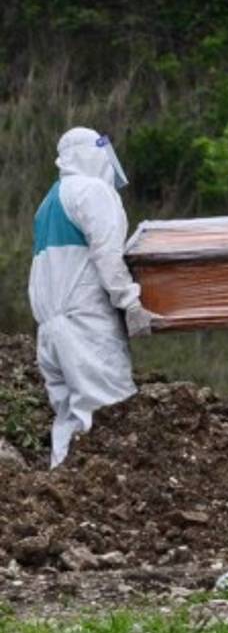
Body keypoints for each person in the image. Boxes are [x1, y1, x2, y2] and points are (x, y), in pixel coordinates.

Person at [28, 127, 161, 468]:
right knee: (110, 416)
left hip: (50, 332)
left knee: (70, 421)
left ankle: (61, 497)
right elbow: (107, 256)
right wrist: (130, 302)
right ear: (91, 154)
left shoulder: (48, 202)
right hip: (85, 325)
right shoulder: (92, 191)